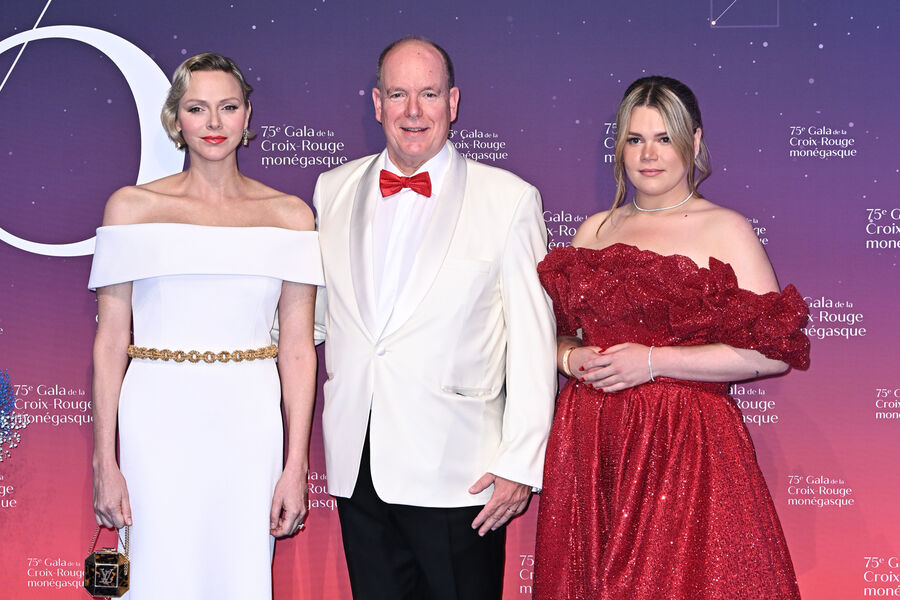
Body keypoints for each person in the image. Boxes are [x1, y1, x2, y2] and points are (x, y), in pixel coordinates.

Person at [532, 76, 810, 599]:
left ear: (695, 141)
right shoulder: (593, 231)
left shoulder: (726, 229)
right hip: (591, 444)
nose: (648, 155)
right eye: (635, 139)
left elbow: (772, 354)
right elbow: (553, 335)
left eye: (664, 138)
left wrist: (653, 362)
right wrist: (570, 359)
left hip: (685, 448)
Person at [312, 36, 557, 600]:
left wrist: (521, 461)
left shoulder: (509, 200)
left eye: (428, 93)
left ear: (453, 101)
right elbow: (318, 318)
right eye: (398, 94)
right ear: (377, 103)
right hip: (359, 467)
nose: (413, 111)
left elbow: (533, 339)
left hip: (460, 473)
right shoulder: (332, 189)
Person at [88, 52, 322, 599]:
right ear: (176, 118)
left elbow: (297, 351)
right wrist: (104, 459)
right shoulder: (131, 209)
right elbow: (110, 342)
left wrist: (295, 465)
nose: (214, 123)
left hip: (248, 420)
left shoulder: (291, 216)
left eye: (228, 107)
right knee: (155, 570)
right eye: (197, 108)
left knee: (238, 573)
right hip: (155, 418)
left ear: (247, 116)